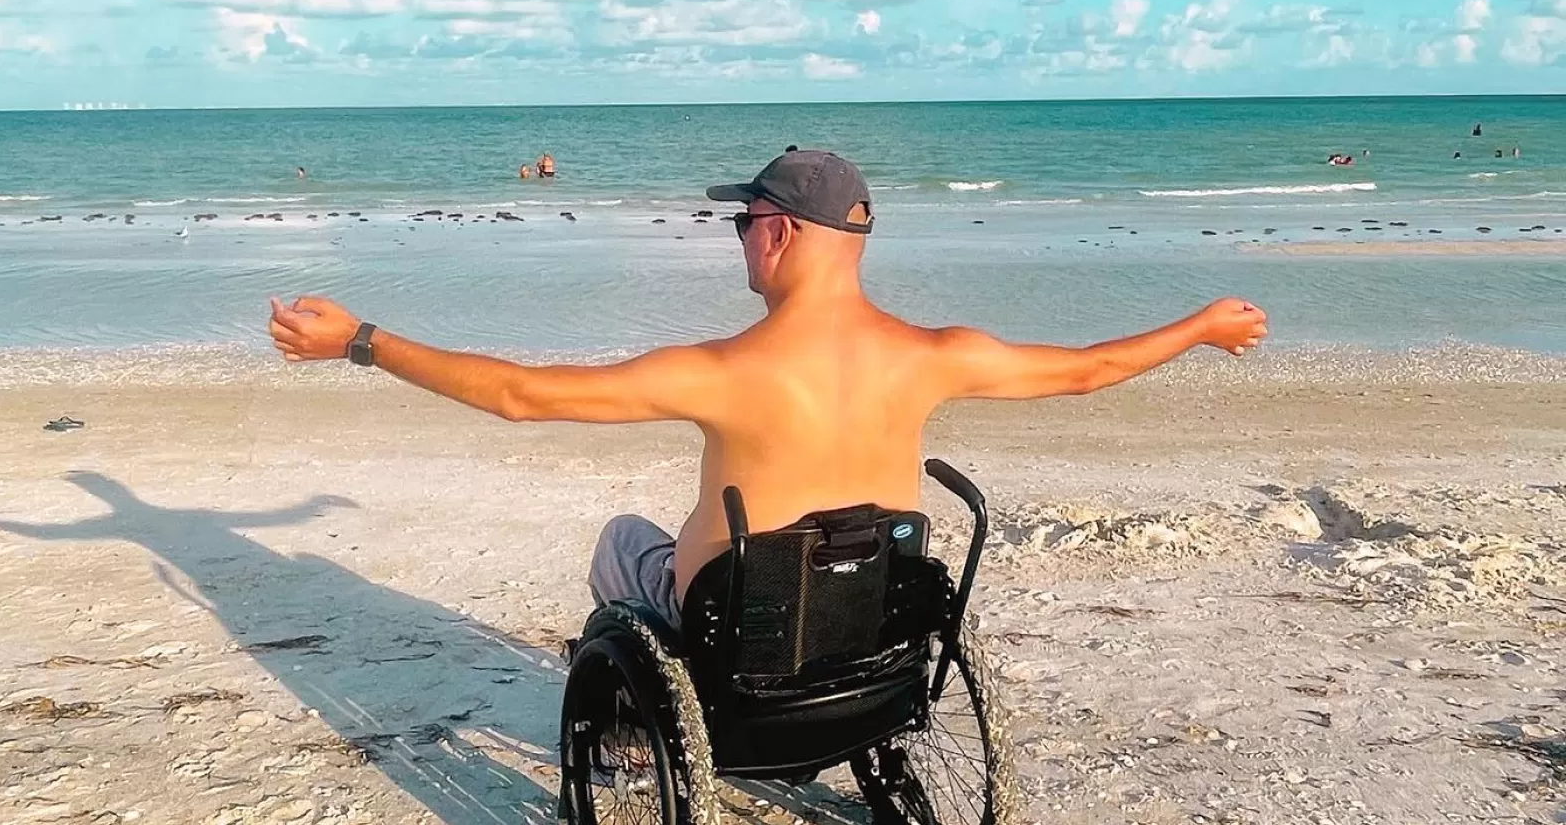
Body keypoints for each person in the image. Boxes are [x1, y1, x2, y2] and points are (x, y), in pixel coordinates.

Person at [266, 150, 1269, 630]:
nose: (739, 237)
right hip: (873, 619)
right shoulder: (937, 352)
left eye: (742, 221)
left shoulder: (719, 371)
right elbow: (1089, 371)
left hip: (737, 632)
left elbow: (524, 395)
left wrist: (361, 339)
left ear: (780, 232)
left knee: (625, 540)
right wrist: (1202, 326)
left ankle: (621, 741)